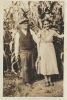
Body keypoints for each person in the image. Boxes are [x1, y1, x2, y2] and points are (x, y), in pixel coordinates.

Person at [30, 20, 64, 86]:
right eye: (45, 24)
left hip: (51, 49)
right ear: (43, 25)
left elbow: (60, 36)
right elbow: (38, 43)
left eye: (47, 24)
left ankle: (50, 80)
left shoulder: (52, 31)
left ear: (49, 24)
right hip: (43, 49)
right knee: (44, 64)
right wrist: (39, 53)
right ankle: (46, 80)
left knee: (50, 64)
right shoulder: (40, 32)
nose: (46, 25)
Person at [14, 19, 35, 85]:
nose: (26, 25)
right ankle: (26, 81)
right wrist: (16, 54)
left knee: (31, 65)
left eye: (26, 23)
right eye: (24, 24)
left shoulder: (30, 31)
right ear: (21, 25)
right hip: (23, 52)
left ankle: (30, 78)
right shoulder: (18, 33)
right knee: (25, 66)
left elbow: (36, 38)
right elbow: (16, 44)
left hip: (31, 51)